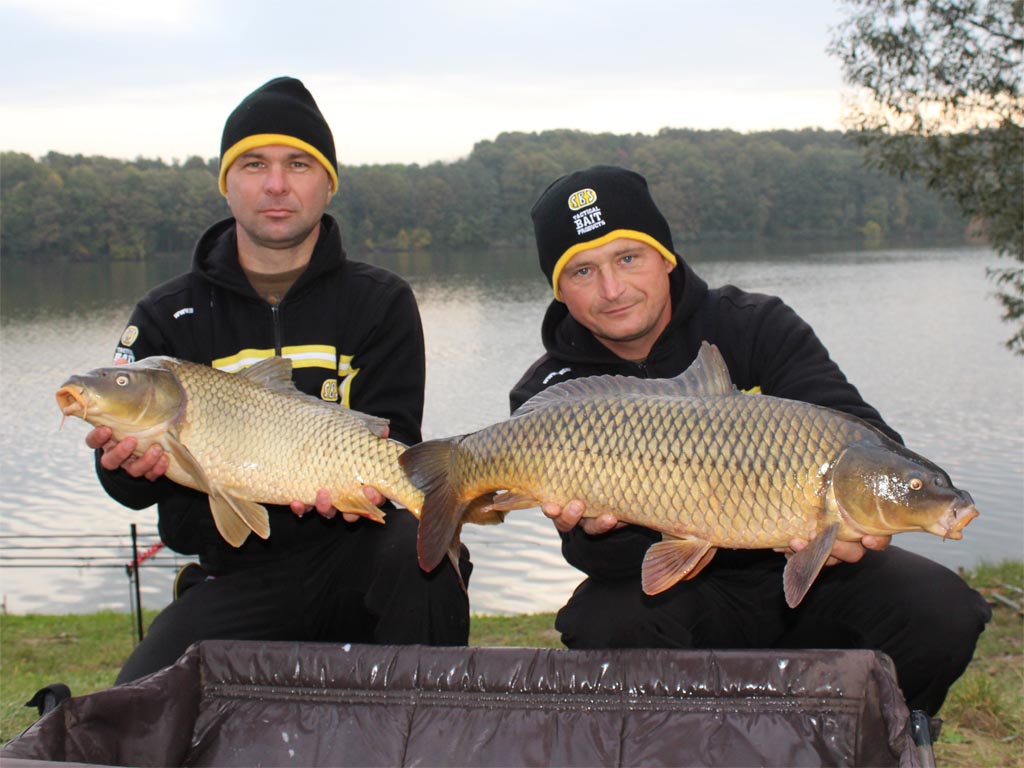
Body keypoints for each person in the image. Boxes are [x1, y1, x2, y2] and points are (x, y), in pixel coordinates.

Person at [510, 164, 990, 717]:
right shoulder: (551, 394)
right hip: (681, 592)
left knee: (942, 611)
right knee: (603, 622)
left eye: (627, 258)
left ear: (664, 257)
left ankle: (861, 743)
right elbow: (595, 558)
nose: (613, 289)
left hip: (806, 573)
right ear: (558, 289)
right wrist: (599, 528)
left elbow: (862, 434)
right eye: (583, 271)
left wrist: (850, 529)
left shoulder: (755, 324)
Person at [86, 76, 471, 684]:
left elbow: (395, 442)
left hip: (360, 555)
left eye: (298, 163)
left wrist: (372, 497)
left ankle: (431, 730)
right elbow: (130, 492)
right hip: (236, 571)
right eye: (253, 164)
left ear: (326, 183)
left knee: (420, 556)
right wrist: (122, 466)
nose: (275, 184)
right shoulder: (166, 313)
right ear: (227, 182)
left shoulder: (381, 302)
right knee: (139, 702)